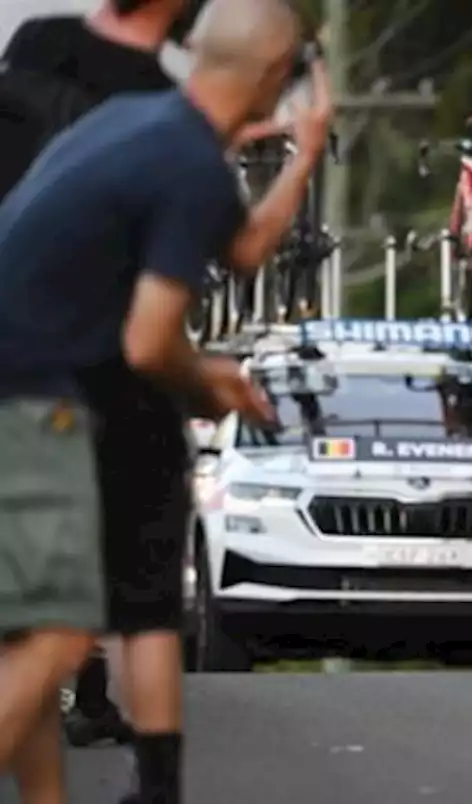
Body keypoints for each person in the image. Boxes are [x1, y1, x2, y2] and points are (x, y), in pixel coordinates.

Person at [0, 1, 313, 802]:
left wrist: (301, 155)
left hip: (27, 383)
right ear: (276, 77)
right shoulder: (186, 163)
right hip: (36, 398)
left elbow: (242, 250)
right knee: (64, 636)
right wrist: (208, 376)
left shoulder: (145, 123)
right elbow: (147, 343)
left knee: (28, 636)